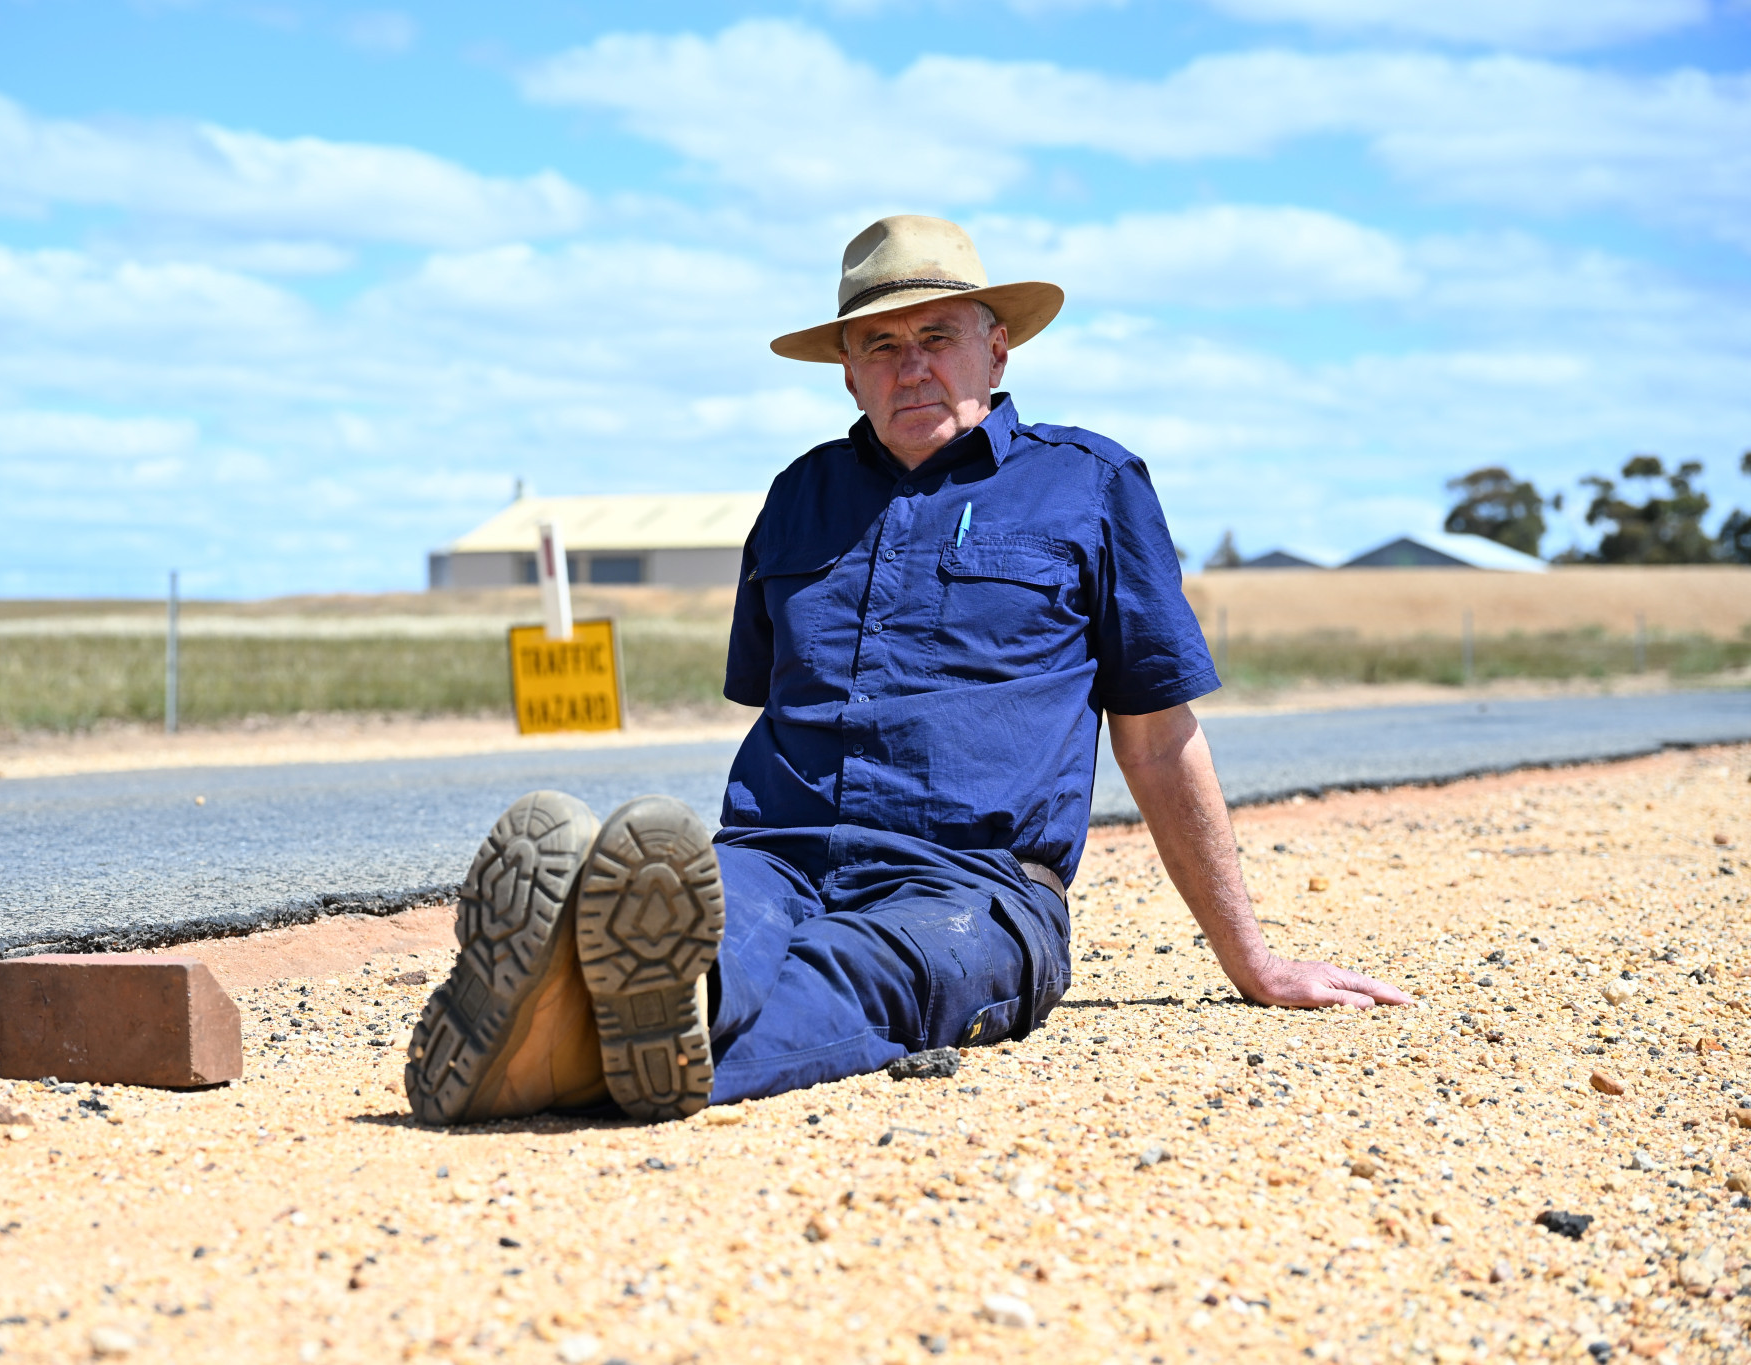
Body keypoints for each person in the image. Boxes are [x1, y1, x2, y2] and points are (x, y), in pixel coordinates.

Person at [405, 215, 1411, 1126]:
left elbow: (1154, 740)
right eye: (880, 344)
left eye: (937, 337)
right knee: (717, 926)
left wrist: (1252, 961)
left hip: (970, 886)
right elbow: (765, 700)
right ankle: (624, 1011)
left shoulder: (1090, 487)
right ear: (844, 368)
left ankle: (584, 1044)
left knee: (870, 968)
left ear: (996, 344)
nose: (910, 366)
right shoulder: (798, 498)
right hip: (771, 853)